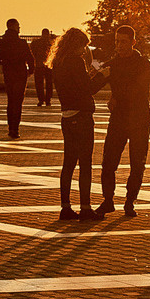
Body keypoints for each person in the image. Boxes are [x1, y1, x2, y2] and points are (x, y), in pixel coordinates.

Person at [98, 24, 150, 215]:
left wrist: (116, 96)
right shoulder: (112, 64)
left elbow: (137, 89)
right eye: (117, 41)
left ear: (133, 42)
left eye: (123, 42)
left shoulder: (143, 63)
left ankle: (130, 201)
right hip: (119, 119)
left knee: (137, 163)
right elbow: (93, 84)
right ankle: (108, 200)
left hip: (139, 119)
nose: (119, 46)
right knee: (108, 162)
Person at [50, 27, 101, 218]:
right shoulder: (75, 61)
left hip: (67, 115)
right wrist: (102, 75)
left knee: (69, 163)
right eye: (83, 46)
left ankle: (65, 207)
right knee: (85, 163)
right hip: (82, 115)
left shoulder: (58, 62)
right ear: (77, 44)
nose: (84, 51)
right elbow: (88, 88)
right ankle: (86, 207)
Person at [0, 19, 33, 139]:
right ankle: (15, 129)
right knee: (18, 102)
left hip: (8, 73)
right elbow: (30, 58)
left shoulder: (1, 42)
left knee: (10, 101)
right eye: (18, 26)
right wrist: (30, 71)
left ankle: (10, 127)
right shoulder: (21, 43)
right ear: (14, 27)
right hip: (20, 74)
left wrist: (5, 64)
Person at [31, 28, 58, 107]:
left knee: (39, 84)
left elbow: (32, 53)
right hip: (48, 66)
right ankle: (48, 100)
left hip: (39, 65)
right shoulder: (51, 44)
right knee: (49, 84)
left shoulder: (36, 43)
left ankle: (41, 100)